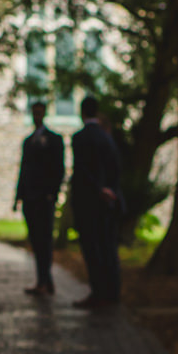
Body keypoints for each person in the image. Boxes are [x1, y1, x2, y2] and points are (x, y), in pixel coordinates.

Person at [68, 96, 122, 308]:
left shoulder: (80, 137)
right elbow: (115, 166)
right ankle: (112, 292)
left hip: (89, 202)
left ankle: (98, 292)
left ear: (82, 112)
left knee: (92, 248)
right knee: (108, 247)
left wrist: (98, 189)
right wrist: (111, 190)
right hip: (107, 201)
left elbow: (83, 170)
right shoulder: (106, 137)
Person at [12, 100, 64, 296]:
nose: (37, 116)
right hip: (29, 197)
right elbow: (23, 170)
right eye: (34, 113)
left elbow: (59, 168)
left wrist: (53, 193)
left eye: (40, 113)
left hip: (44, 198)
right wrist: (18, 196)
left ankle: (44, 280)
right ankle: (44, 280)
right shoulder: (28, 141)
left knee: (44, 239)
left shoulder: (54, 139)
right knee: (35, 240)